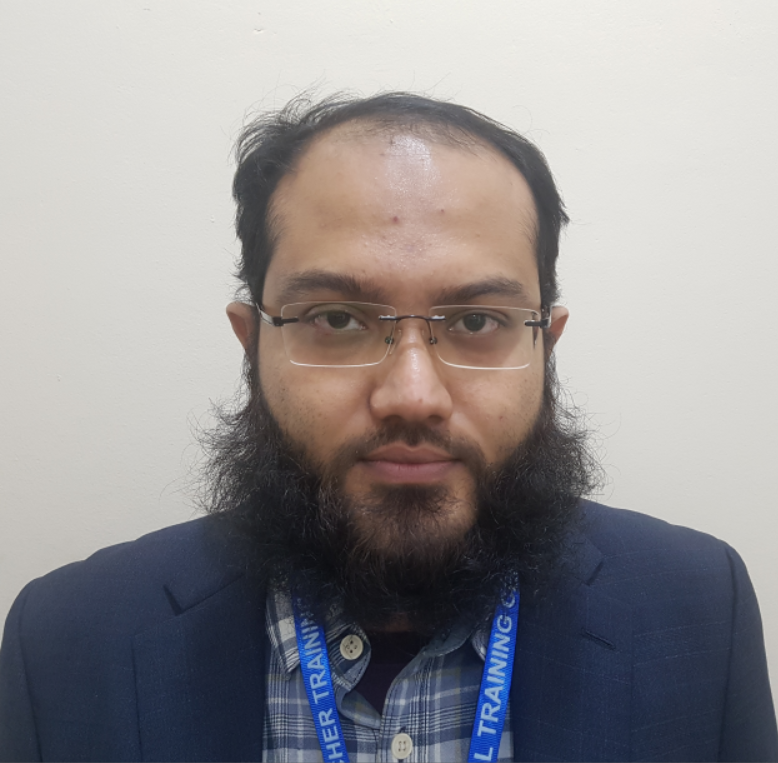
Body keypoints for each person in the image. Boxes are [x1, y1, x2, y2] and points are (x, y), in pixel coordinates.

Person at [0, 92, 775, 763]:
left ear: (546, 345)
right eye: (337, 318)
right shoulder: (67, 642)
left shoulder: (700, 613)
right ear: (252, 341)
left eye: (477, 320)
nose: (413, 394)